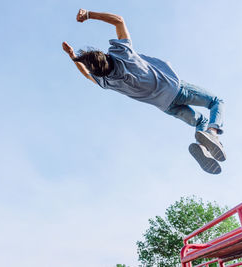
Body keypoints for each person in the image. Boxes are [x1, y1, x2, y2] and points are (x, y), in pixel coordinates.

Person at [62, 9, 226, 174]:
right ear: (106, 55)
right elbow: (118, 20)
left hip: (166, 106)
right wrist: (89, 15)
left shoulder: (106, 82)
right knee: (216, 102)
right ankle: (212, 133)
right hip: (176, 90)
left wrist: (72, 56)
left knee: (200, 122)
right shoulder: (122, 54)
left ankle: (202, 146)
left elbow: (86, 75)